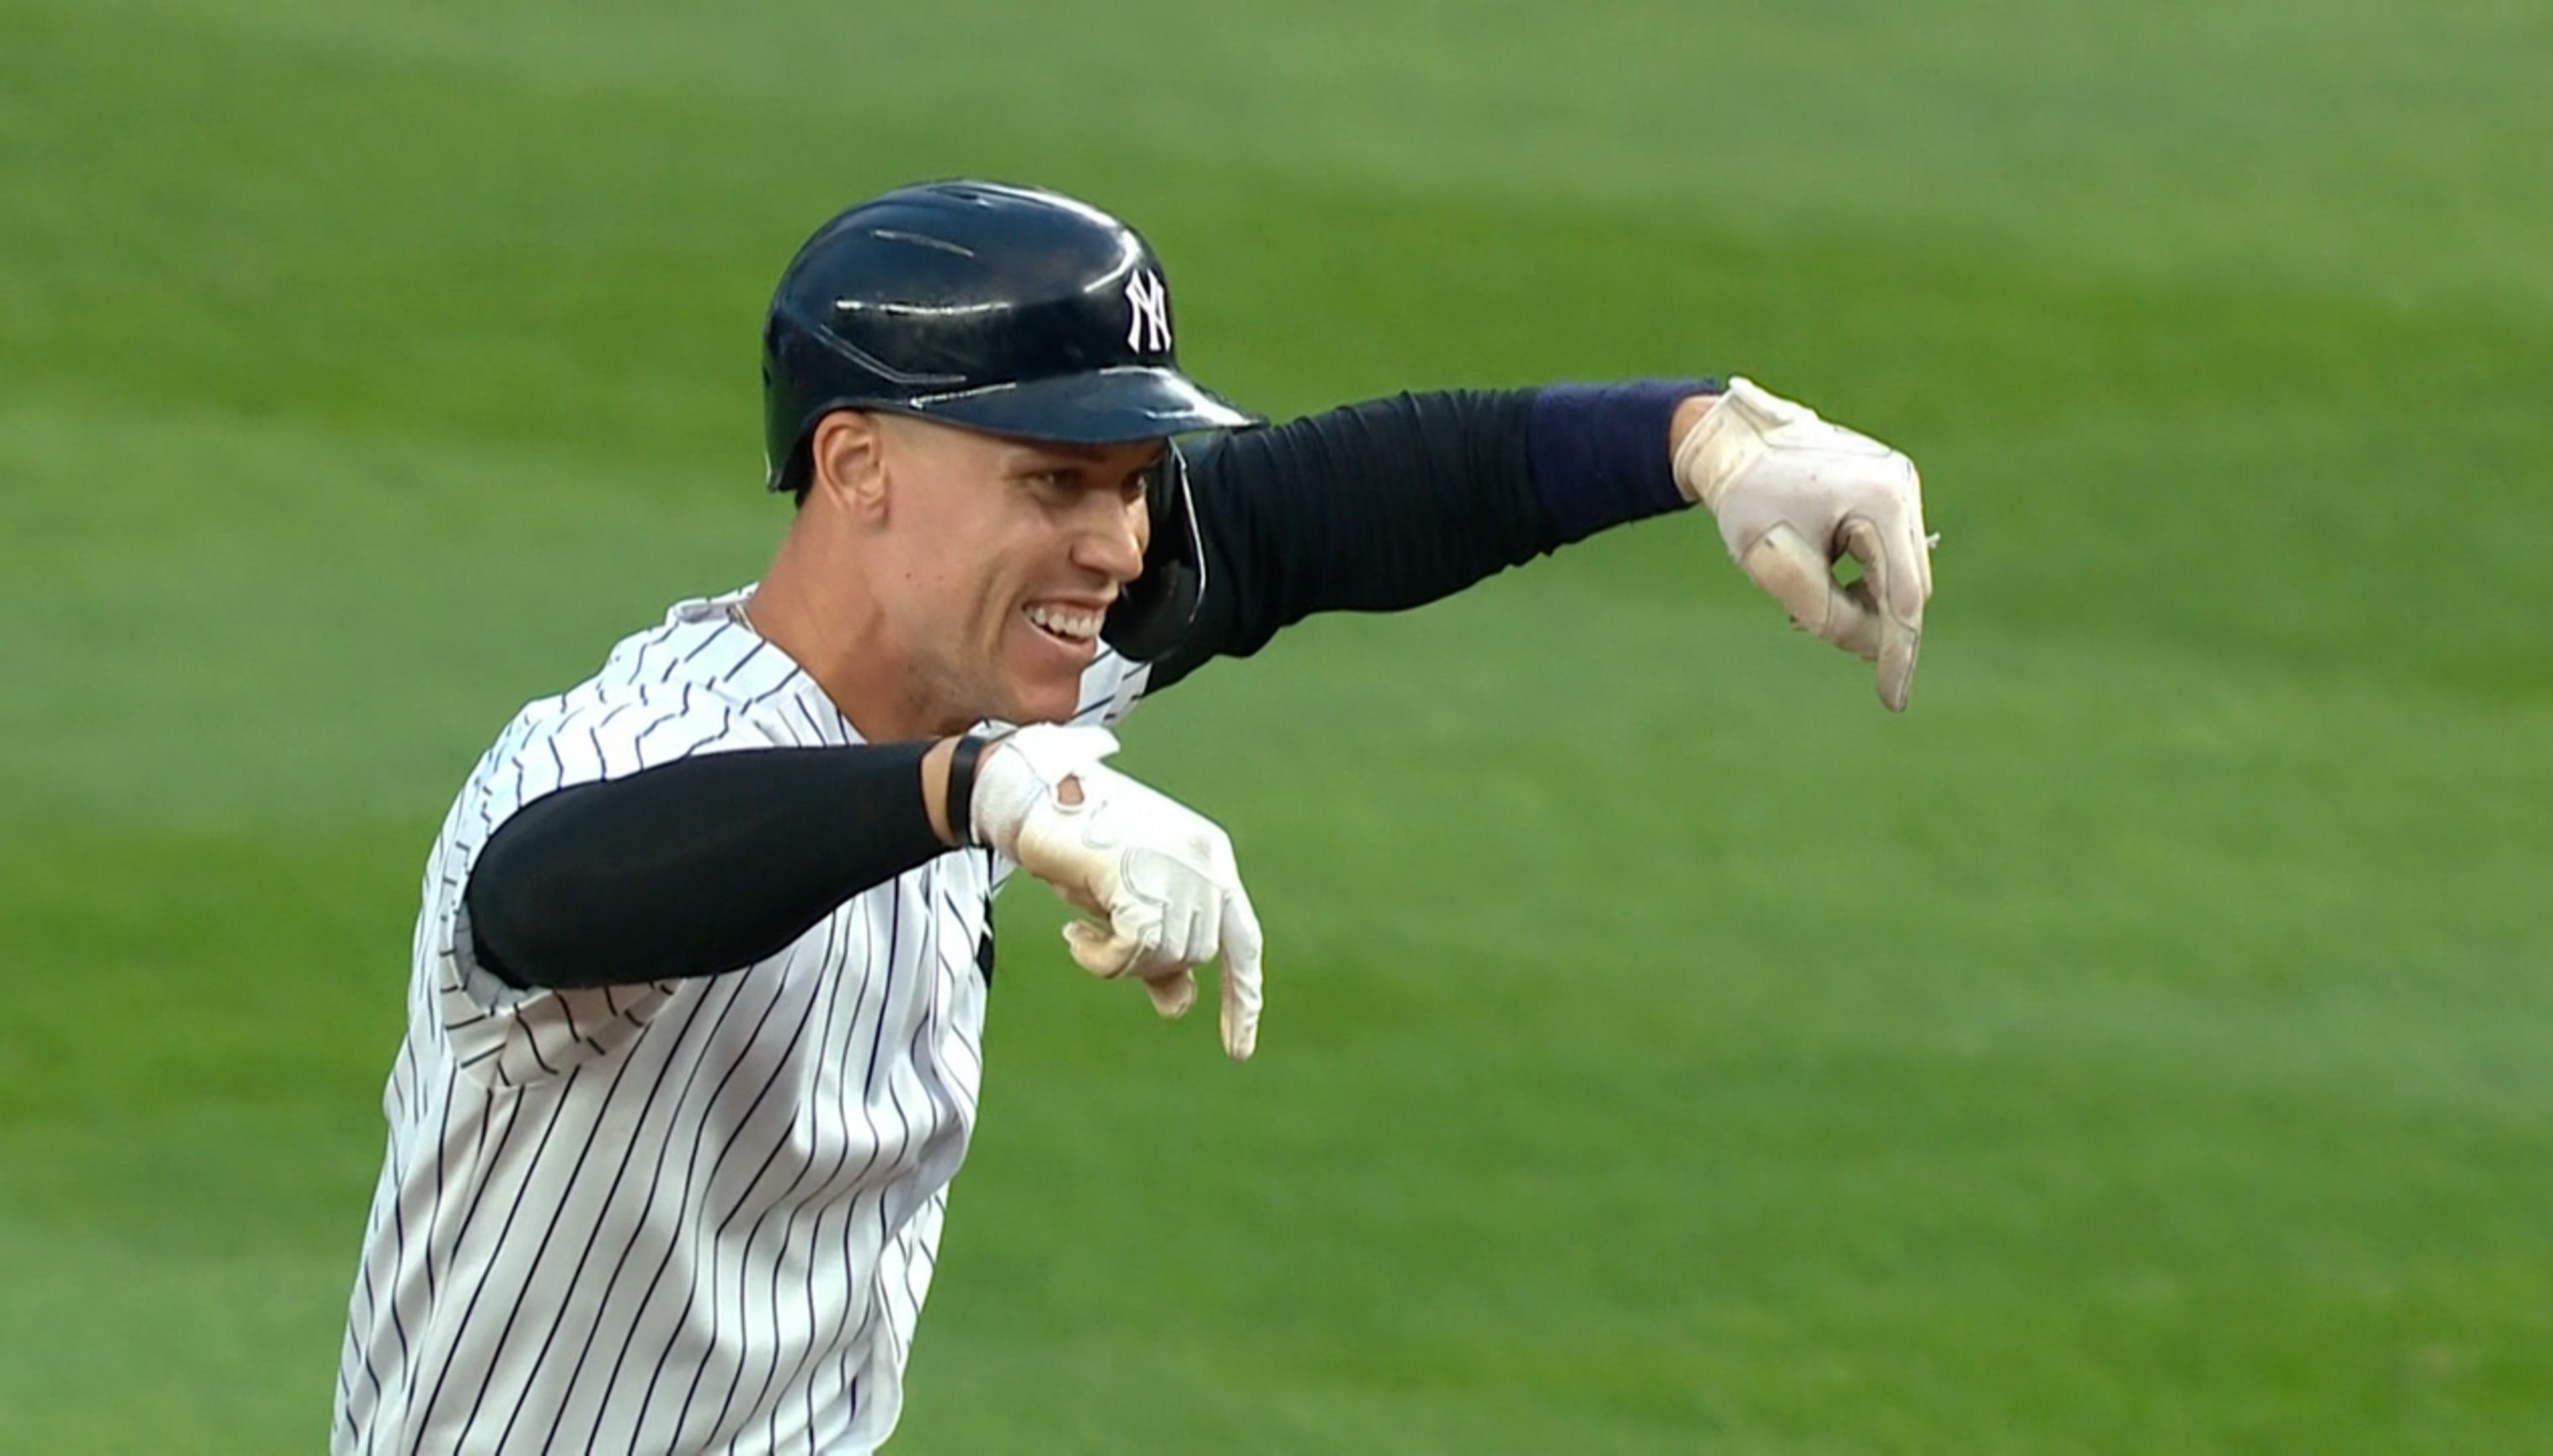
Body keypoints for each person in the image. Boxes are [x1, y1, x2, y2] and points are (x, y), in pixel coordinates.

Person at [332, 179, 1933, 1453]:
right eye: (1052, 481)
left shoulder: (1010, 662)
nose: (1112, 542)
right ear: (856, 464)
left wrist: (1697, 442)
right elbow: (551, 892)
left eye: (1130, 476)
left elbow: (1322, 513)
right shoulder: (626, 751)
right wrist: (974, 791)